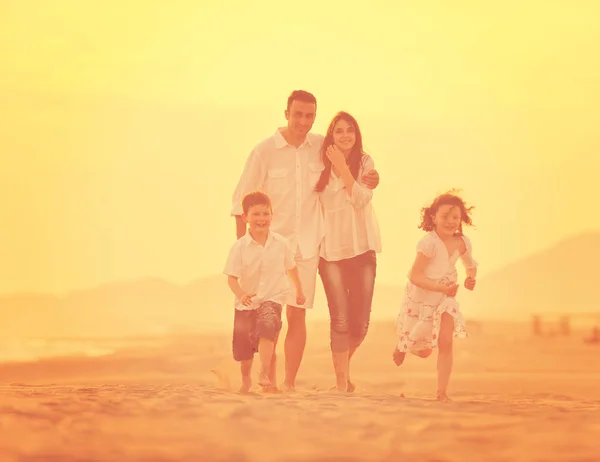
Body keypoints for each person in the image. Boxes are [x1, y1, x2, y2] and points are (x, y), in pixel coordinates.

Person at [230, 90, 380, 392]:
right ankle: (266, 381)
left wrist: (372, 176)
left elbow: (353, 159)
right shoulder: (264, 151)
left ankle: (288, 384)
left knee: (297, 315)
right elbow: (239, 204)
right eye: (297, 114)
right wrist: (246, 252)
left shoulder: (321, 147)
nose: (303, 121)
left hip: (309, 247)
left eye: (309, 116)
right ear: (286, 113)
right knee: (268, 315)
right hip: (270, 248)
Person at [314, 112, 381, 392]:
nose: (345, 135)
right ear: (331, 135)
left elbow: (361, 199)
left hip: (362, 249)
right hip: (330, 252)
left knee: (361, 324)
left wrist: (343, 167)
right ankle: (341, 382)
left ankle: (343, 370)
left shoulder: (365, 162)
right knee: (339, 319)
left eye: (350, 130)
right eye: (339, 131)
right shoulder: (317, 163)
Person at [393, 191, 478, 402]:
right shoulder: (428, 243)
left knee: (446, 341)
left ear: (461, 220)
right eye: (445, 217)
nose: (451, 222)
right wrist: (439, 288)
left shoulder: (462, 243)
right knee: (423, 352)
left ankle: (442, 393)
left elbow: (471, 265)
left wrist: (470, 278)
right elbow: (414, 275)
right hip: (422, 296)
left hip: (446, 299)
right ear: (433, 218)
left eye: (455, 217)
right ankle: (404, 344)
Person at [224, 191, 305, 393]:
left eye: (266, 214)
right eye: (256, 214)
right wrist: (241, 294)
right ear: (245, 218)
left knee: (268, 327)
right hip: (246, 302)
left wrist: (299, 290)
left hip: (273, 297)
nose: (262, 219)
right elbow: (231, 278)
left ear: (272, 216)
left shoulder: (281, 243)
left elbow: (291, 267)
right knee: (244, 351)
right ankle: (246, 380)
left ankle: (264, 372)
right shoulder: (239, 248)